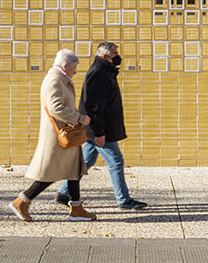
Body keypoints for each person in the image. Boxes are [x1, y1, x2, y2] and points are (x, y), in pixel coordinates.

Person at [9, 48, 97, 222]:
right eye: (74, 67)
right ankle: (21, 201)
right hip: (58, 135)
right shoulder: (55, 80)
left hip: (65, 132)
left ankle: (76, 208)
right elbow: (55, 107)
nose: (76, 71)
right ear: (65, 65)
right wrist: (78, 117)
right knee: (50, 173)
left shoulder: (60, 79)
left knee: (73, 170)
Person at [62, 41, 147, 210]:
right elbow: (93, 107)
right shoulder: (98, 74)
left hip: (98, 128)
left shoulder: (105, 72)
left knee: (87, 160)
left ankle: (63, 193)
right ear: (104, 56)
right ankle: (123, 199)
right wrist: (99, 132)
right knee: (116, 161)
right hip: (99, 129)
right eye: (114, 54)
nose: (118, 57)